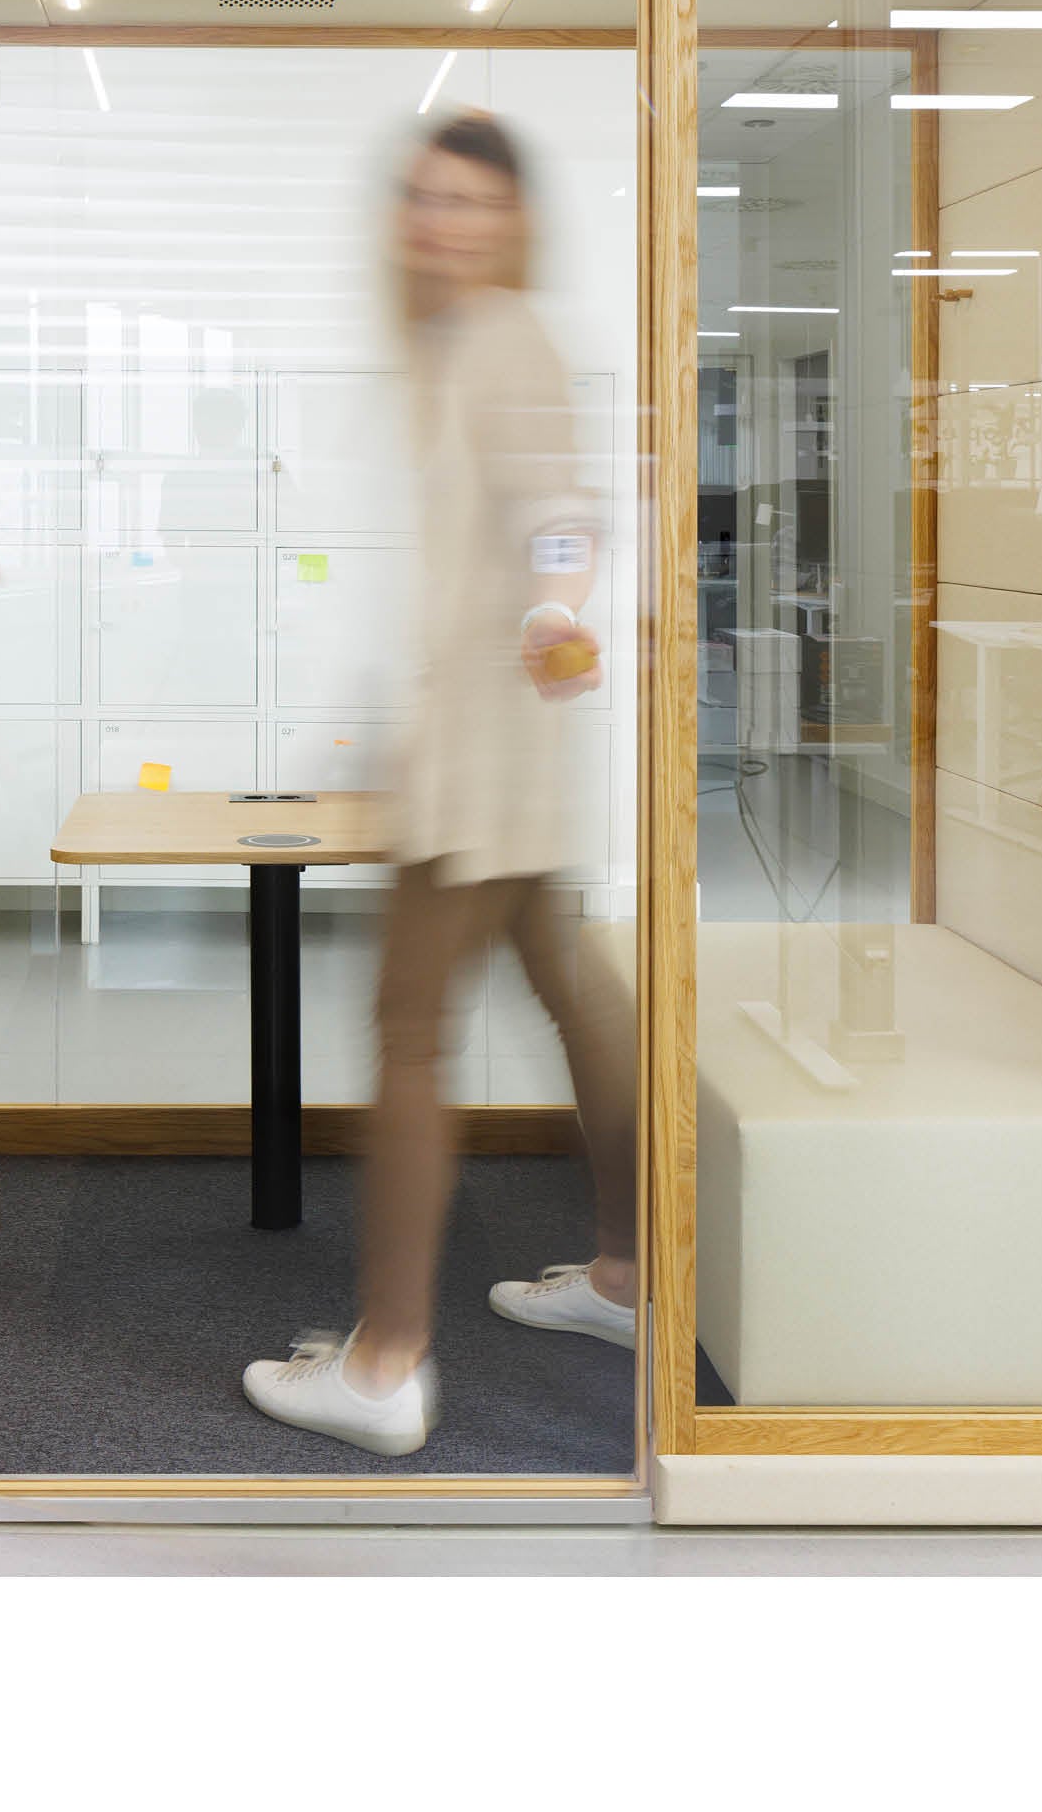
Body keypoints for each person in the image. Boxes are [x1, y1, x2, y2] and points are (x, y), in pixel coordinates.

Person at [243, 108, 639, 1455]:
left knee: (409, 1035)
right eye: (424, 196)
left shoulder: (499, 339)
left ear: (513, 223)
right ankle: (630, 1272)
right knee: (574, 993)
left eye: (470, 201)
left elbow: (562, 513)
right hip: (501, 747)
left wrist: (557, 608)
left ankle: (383, 1366)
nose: (440, 222)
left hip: (481, 753)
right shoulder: (455, 344)